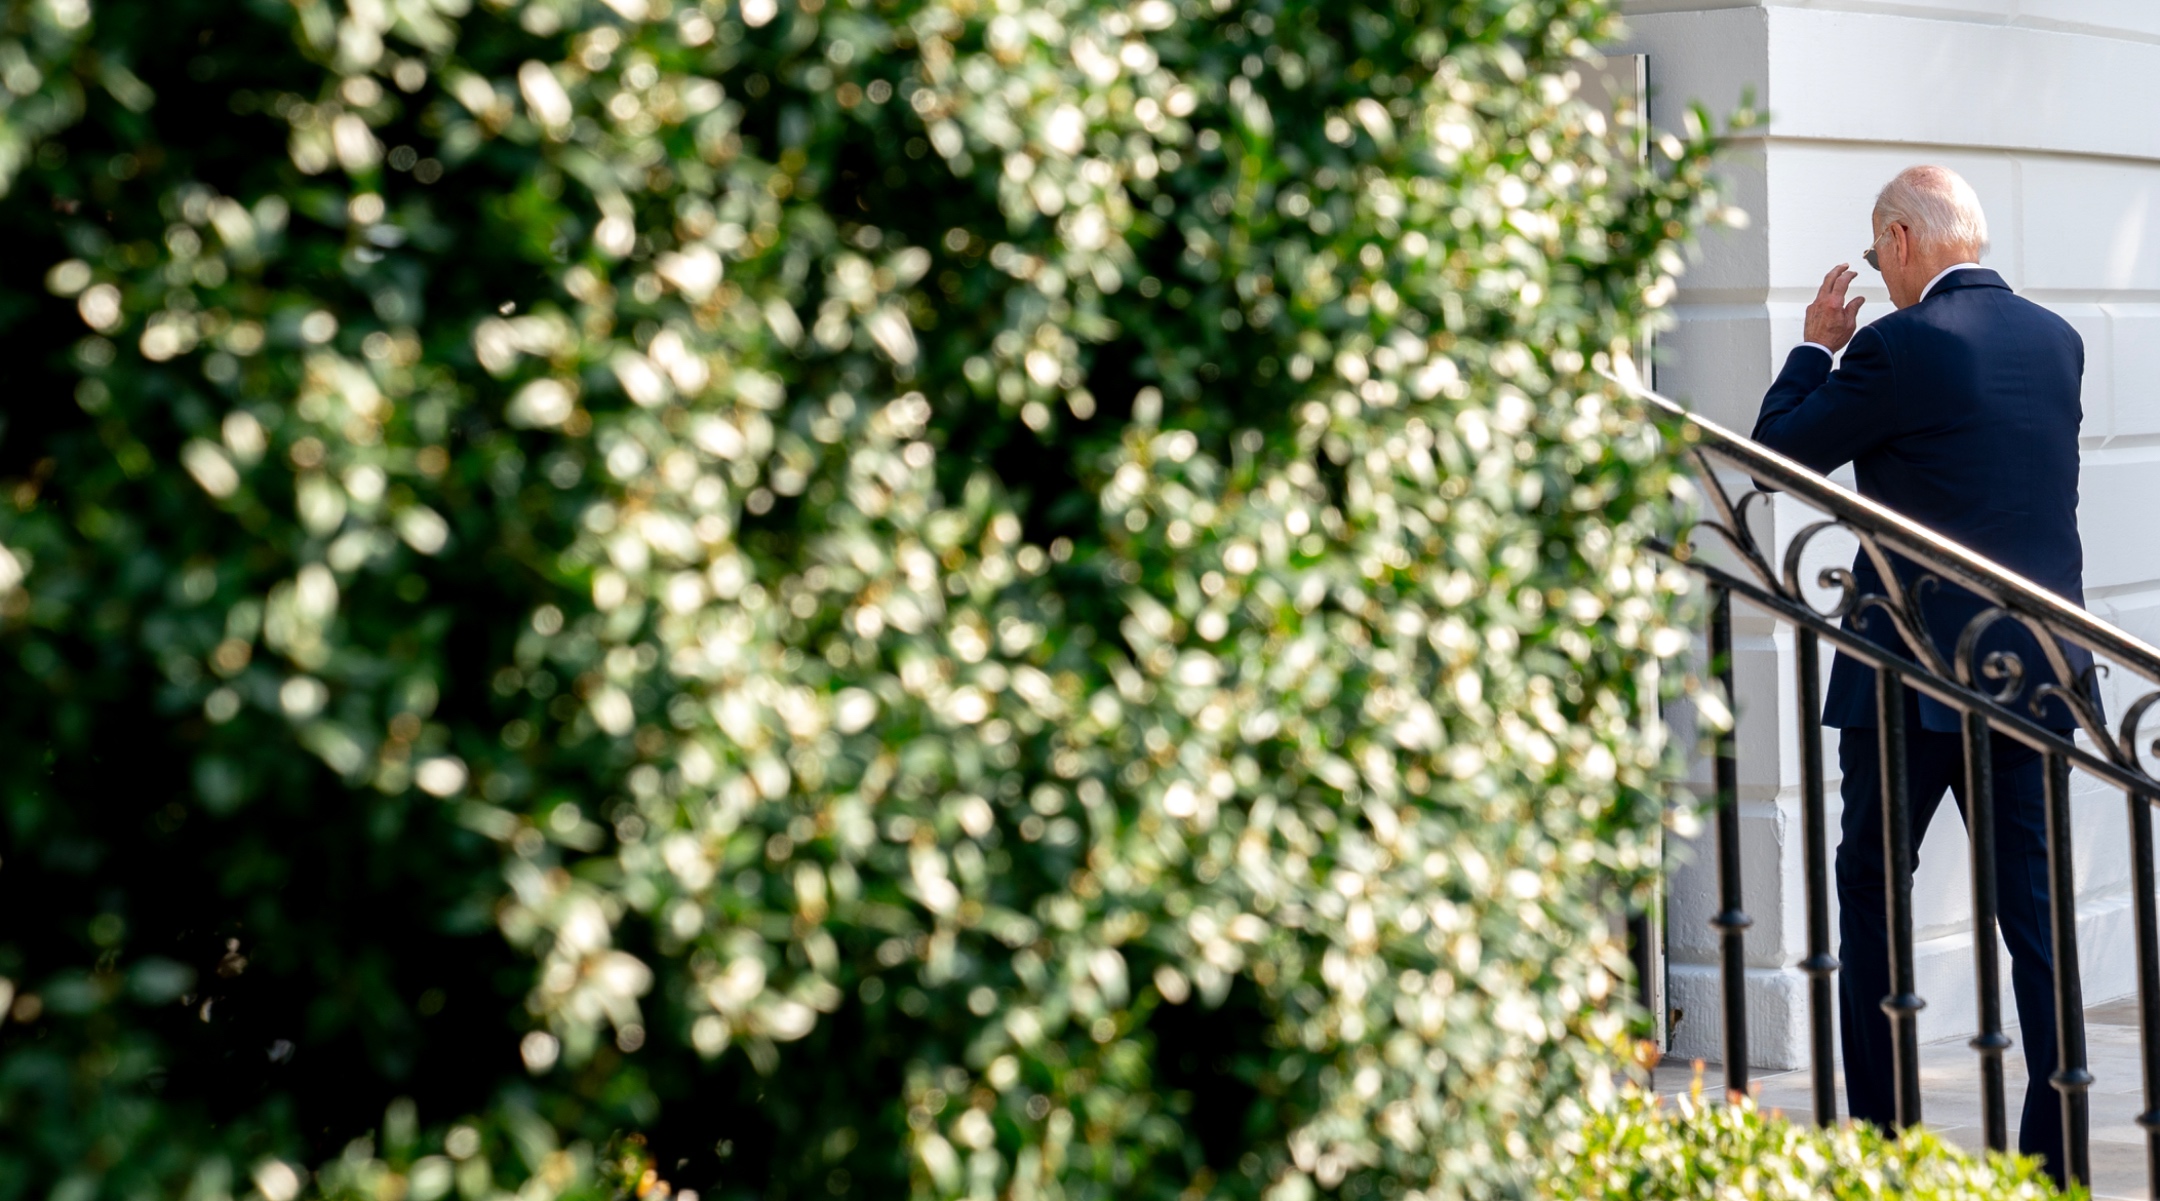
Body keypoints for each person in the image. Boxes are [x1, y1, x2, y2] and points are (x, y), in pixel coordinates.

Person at [1750, 164, 2092, 1184]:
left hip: (1907, 679)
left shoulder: (1900, 346)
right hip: (2039, 676)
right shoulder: (2058, 341)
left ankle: (1884, 1146)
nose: (1877, 275)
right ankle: (2055, 1159)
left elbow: (1776, 454)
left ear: (1903, 241)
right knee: (2038, 919)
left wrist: (1817, 343)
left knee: (1873, 902)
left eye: (1874, 254)